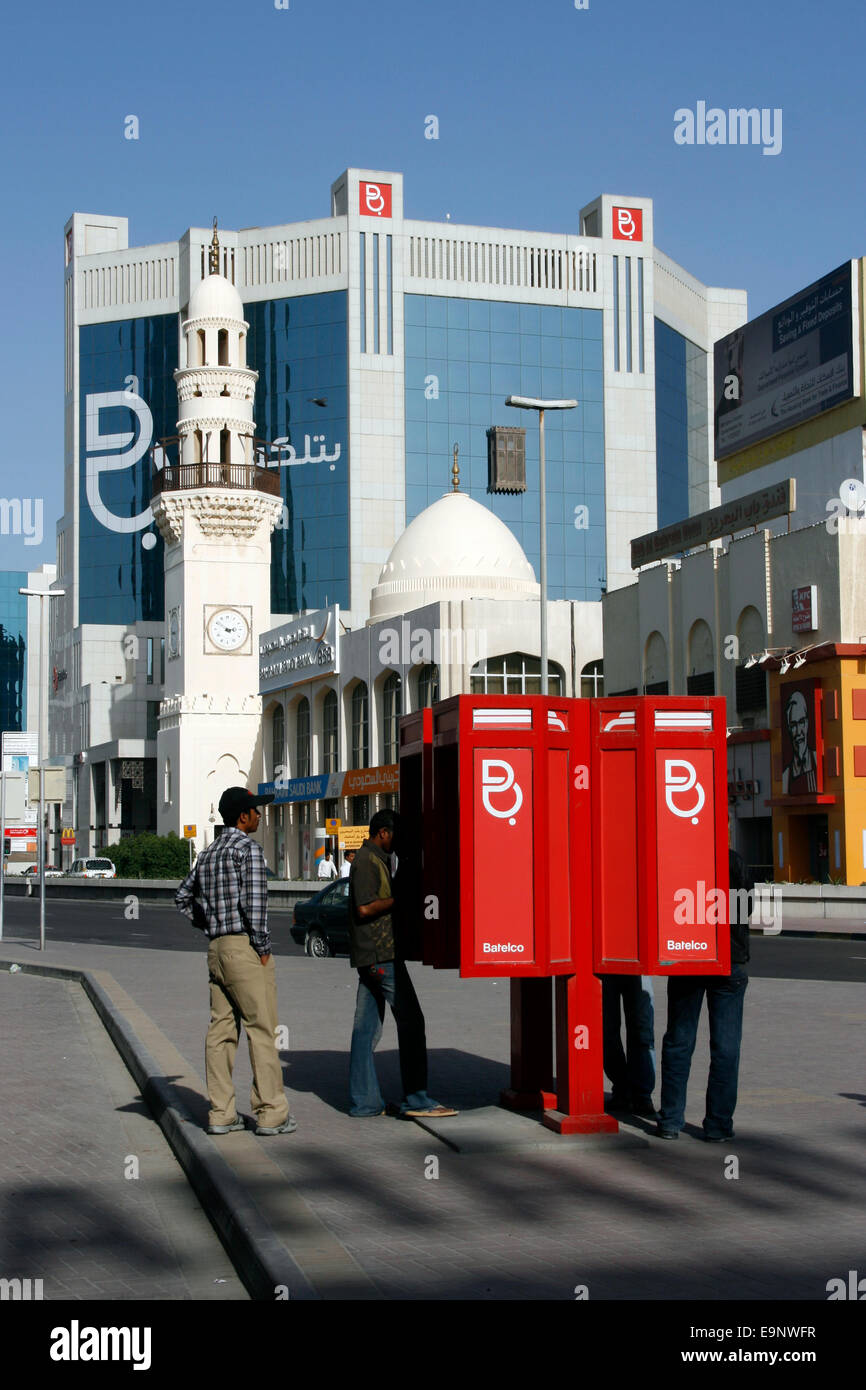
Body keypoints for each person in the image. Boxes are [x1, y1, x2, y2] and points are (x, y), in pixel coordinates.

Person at [175, 787, 295, 1137]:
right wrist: (262, 947)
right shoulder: (249, 851)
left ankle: (221, 1112)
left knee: (221, 1032)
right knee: (262, 1029)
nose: (260, 816)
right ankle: (271, 1112)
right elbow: (255, 907)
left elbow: (182, 897)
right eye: (256, 811)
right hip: (245, 949)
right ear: (243, 816)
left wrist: (209, 922)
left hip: (216, 950)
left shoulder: (209, 853)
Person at [347, 808, 457, 1119]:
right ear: (382, 832)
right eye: (394, 835)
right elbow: (365, 908)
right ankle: (417, 1098)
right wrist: (399, 899)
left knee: (365, 1030)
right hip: (382, 955)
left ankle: (365, 1103)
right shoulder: (368, 862)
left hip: (371, 957)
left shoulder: (377, 860)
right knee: (412, 1021)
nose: (397, 841)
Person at [656, 849, 753, 1142]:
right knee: (725, 1048)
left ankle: (671, 1120)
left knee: (678, 1041)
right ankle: (718, 1124)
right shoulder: (734, 860)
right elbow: (744, 908)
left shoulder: (680, 856)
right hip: (729, 960)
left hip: (687, 956)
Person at [602, 975, 656, 1118]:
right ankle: (622, 1089)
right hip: (604, 961)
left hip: (638, 964)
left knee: (642, 1029)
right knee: (607, 1029)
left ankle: (641, 1095)